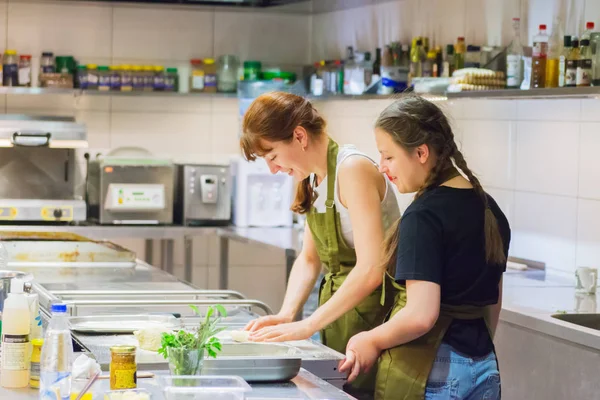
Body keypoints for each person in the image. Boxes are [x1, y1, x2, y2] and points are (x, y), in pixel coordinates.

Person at [339, 96, 510, 400]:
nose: (382, 167)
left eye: (388, 156)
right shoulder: (490, 209)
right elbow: (492, 303)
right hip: (484, 365)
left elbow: (420, 315)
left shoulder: (423, 215)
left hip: (435, 369)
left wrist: (370, 339)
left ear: (420, 152)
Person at [239, 91, 400, 397]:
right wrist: (288, 314)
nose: (272, 169)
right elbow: (309, 259)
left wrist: (308, 324)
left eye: (272, 155)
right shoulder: (312, 178)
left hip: (377, 321)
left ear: (299, 135)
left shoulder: (352, 169)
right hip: (339, 319)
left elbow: (371, 269)